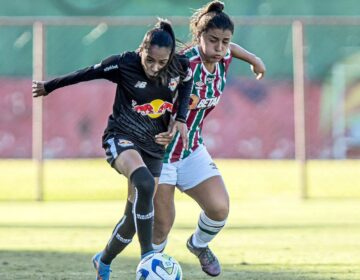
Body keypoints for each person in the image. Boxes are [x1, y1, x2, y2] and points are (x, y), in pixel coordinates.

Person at [32, 19, 193, 280]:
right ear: (142, 49)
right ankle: (148, 258)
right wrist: (50, 86)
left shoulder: (179, 65)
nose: (154, 68)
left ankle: (103, 260)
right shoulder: (124, 63)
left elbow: (187, 84)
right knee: (145, 183)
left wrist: (181, 118)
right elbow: (86, 72)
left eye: (161, 63)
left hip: (153, 146)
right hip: (121, 137)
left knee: (131, 220)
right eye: (149, 60)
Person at [152, 1, 266, 277]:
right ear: (198, 37)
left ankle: (198, 245)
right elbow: (151, 94)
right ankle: (150, 268)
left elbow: (233, 51)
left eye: (225, 41)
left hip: (191, 151)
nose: (220, 47)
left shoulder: (224, 57)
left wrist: (254, 59)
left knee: (219, 208)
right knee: (162, 224)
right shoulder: (181, 64)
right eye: (213, 40)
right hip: (160, 154)